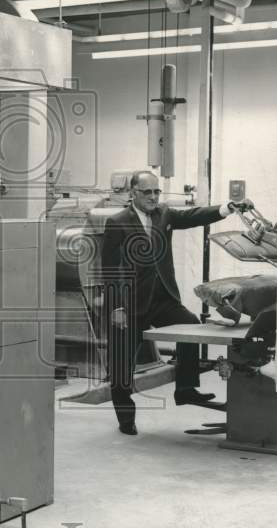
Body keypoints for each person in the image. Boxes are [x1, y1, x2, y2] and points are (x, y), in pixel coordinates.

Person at [101, 169, 253, 435]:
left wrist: (227, 208)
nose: (152, 197)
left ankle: (185, 389)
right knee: (121, 365)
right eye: (147, 192)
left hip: (163, 298)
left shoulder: (165, 215)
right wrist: (116, 308)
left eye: (156, 191)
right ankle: (126, 419)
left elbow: (193, 216)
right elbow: (109, 269)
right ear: (133, 193)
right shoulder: (117, 222)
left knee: (191, 327)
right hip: (130, 304)